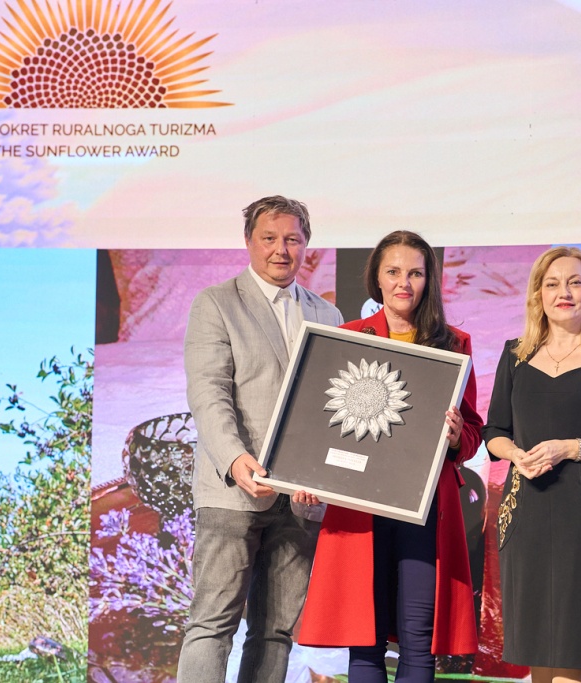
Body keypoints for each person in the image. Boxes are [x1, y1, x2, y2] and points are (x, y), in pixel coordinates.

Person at [298, 230, 483, 682]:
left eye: (415, 273)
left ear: (429, 279)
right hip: (358, 507)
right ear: (376, 279)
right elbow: (320, 424)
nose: (404, 282)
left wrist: (456, 437)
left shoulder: (454, 344)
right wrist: (305, 473)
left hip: (424, 507)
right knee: (364, 640)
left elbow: (473, 432)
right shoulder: (347, 337)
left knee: (419, 640)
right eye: (394, 272)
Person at [176, 195, 344, 683]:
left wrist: (324, 476)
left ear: (307, 245)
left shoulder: (329, 316)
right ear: (248, 241)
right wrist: (235, 459)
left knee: (275, 633)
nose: (280, 250)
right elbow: (208, 393)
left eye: (292, 239)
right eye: (269, 238)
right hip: (233, 491)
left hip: (301, 499)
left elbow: (333, 407)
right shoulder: (216, 303)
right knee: (212, 624)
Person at [483, 246, 581, 683]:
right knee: (537, 648)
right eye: (553, 284)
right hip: (525, 511)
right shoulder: (515, 355)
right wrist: (516, 454)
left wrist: (566, 448)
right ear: (539, 293)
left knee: (571, 650)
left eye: (575, 283)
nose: (564, 292)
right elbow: (494, 431)